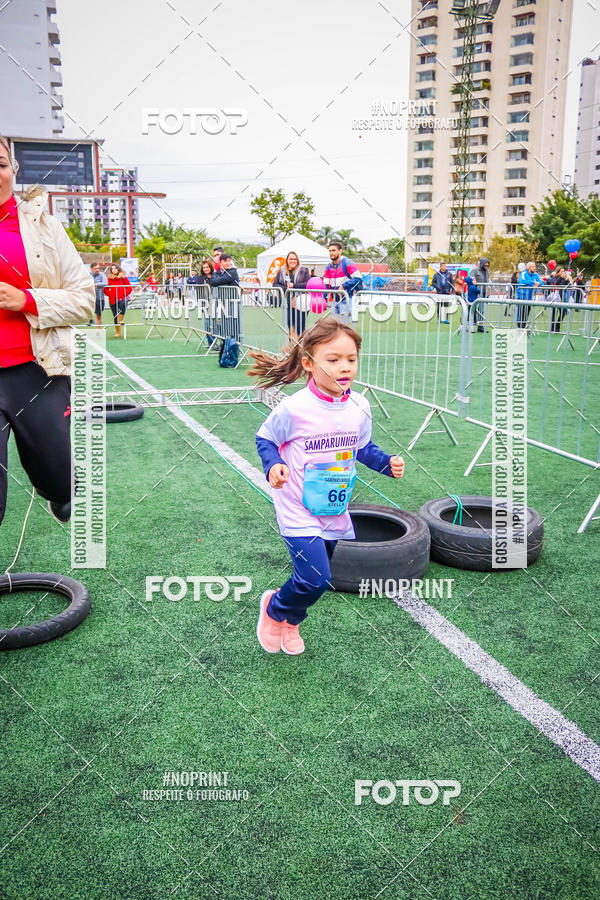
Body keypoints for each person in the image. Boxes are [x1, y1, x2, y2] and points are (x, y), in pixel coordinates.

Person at [247, 317, 405, 655]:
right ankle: (275, 609)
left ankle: (291, 621)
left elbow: (362, 446)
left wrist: (386, 464)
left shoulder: (360, 406)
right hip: (296, 507)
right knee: (315, 578)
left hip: (334, 507)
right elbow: (266, 438)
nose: (344, 367)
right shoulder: (294, 408)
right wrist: (273, 465)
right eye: (333, 360)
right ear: (308, 363)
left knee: (319, 578)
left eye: (351, 359)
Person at [0, 135, 95, 526]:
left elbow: (85, 300)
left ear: (13, 170)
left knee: (59, 478)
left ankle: (59, 490)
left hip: (37, 371)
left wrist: (28, 301)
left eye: (0, 163)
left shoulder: (45, 228)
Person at [273, 251, 310, 337]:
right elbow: (275, 284)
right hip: (287, 302)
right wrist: (287, 289)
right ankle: (293, 346)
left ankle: (301, 345)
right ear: (287, 260)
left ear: (297, 260)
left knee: (300, 325)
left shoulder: (303, 270)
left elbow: (308, 284)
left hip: (301, 302)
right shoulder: (281, 271)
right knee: (290, 324)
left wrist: (294, 286)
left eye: (294, 259)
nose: (292, 261)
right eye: (290, 259)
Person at [324, 242, 363, 321]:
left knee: (344, 326)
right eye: (330, 251)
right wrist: (324, 298)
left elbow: (358, 278)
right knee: (334, 326)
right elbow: (326, 285)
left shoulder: (347, 262)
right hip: (335, 301)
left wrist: (343, 286)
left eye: (334, 250)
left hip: (346, 299)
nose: (331, 253)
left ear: (340, 251)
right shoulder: (328, 267)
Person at [104, 264, 132, 338]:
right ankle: (118, 333)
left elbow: (129, 288)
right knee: (115, 316)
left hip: (122, 298)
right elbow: (105, 289)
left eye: (115, 268)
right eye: (112, 269)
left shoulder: (123, 278)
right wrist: (110, 294)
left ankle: (121, 320)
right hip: (113, 299)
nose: (113, 270)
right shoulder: (109, 279)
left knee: (123, 306)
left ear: (118, 269)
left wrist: (123, 294)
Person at [517, 261, 543, 329]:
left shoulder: (535, 274)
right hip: (521, 296)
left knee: (526, 313)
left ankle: (523, 327)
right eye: (533, 266)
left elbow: (541, 282)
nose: (535, 268)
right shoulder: (523, 273)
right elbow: (523, 281)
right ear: (529, 267)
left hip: (529, 297)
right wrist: (534, 283)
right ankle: (520, 327)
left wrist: (537, 284)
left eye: (535, 266)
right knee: (520, 313)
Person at [547, 266, 571, 333]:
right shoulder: (555, 277)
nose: (563, 273)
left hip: (562, 297)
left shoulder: (564, 278)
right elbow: (555, 282)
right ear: (558, 272)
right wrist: (561, 277)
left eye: (564, 271)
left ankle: (557, 327)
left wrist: (568, 279)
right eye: (561, 271)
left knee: (563, 313)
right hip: (555, 297)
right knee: (554, 313)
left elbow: (568, 286)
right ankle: (552, 328)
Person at [473, 257, 490, 332]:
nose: (487, 264)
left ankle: (480, 326)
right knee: (473, 309)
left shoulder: (487, 271)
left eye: (488, 263)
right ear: (482, 263)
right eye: (485, 263)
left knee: (481, 310)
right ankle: (469, 325)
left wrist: (488, 290)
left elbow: (488, 281)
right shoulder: (475, 270)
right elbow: (472, 279)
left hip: (484, 292)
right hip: (475, 293)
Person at [90, 262, 108, 328]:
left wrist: (97, 284)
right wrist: (92, 285)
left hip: (99, 298)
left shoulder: (102, 274)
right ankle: (90, 319)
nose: (97, 270)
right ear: (91, 269)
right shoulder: (88, 275)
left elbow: (106, 283)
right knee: (88, 311)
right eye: (95, 268)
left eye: (98, 268)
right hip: (90, 298)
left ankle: (98, 332)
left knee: (99, 315)